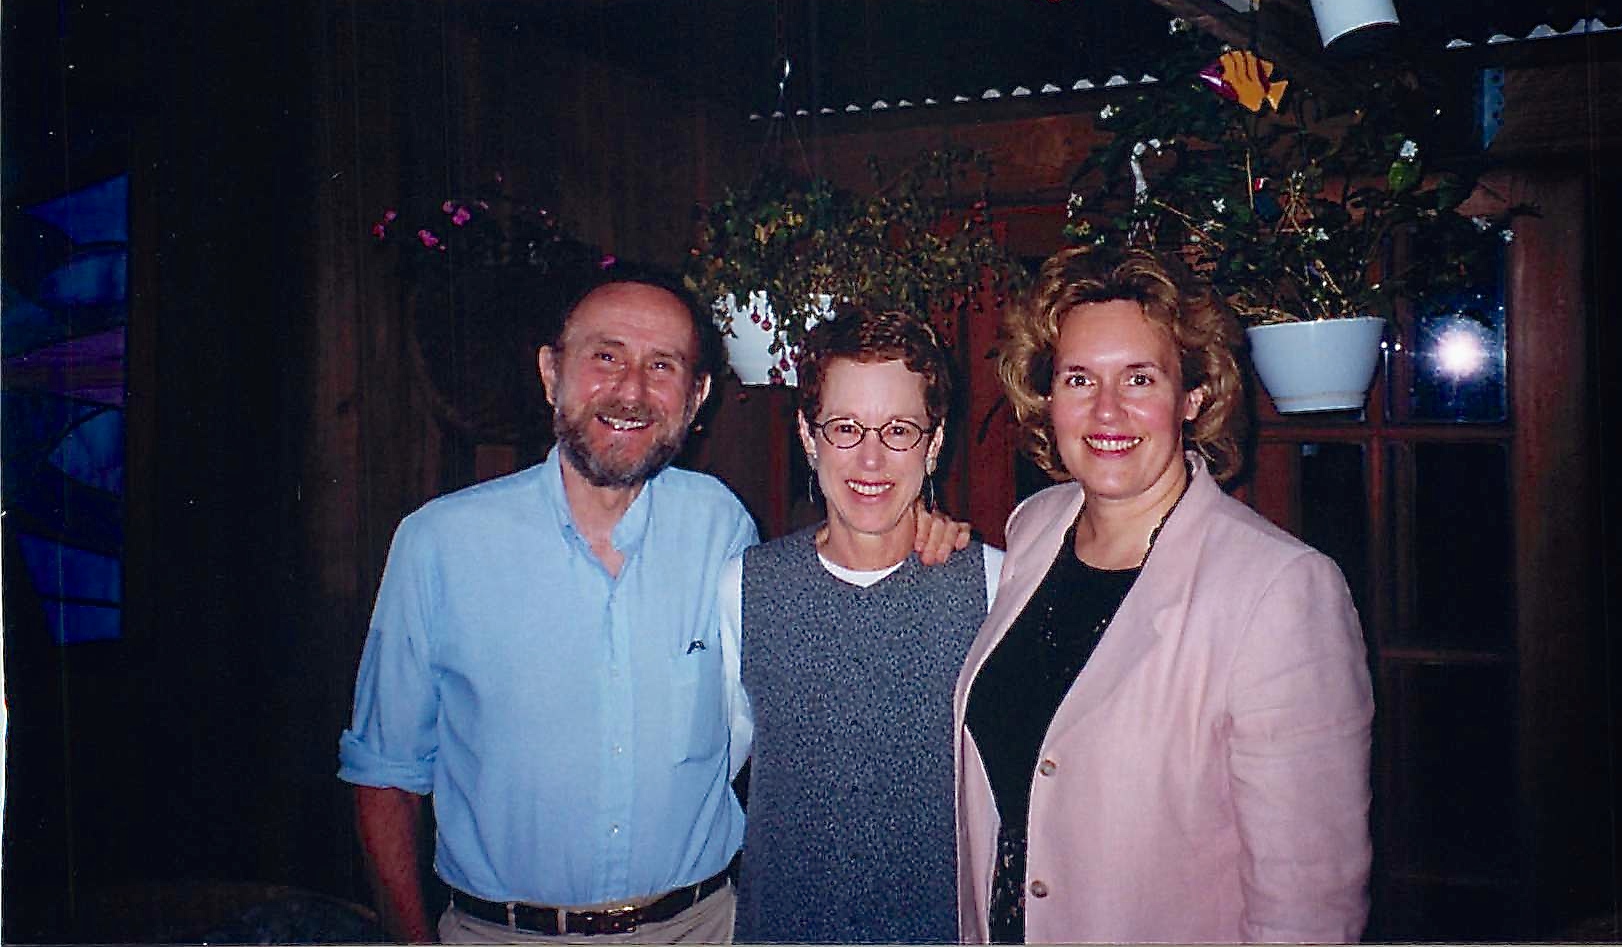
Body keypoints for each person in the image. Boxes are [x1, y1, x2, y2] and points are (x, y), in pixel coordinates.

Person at [338, 263, 964, 944]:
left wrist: (922, 528)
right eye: (606, 356)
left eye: (661, 365)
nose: (631, 389)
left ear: (695, 397)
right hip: (501, 933)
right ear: (551, 372)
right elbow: (384, 776)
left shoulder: (721, 527)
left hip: (698, 927)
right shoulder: (440, 543)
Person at [955, 245, 1374, 944]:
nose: (1107, 409)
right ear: (1047, 396)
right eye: (1079, 378)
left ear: (1192, 397)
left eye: (1139, 378)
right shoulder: (1032, 529)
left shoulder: (1279, 591)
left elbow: (1308, 910)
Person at [723, 307, 1001, 944]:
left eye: (899, 429)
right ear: (807, 437)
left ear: (933, 445)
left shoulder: (994, 584)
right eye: (845, 428)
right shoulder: (744, 585)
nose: (870, 458)